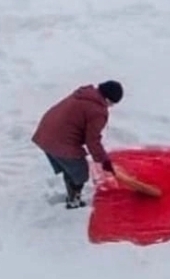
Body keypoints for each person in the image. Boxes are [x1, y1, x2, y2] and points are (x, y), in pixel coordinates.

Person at [32, 81, 123, 209]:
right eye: (112, 103)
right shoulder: (98, 111)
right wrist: (104, 161)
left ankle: (72, 191)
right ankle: (73, 201)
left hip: (45, 132)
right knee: (80, 173)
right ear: (108, 99)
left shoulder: (85, 94)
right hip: (59, 141)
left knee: (70, 168)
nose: (110, 107)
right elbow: (92, 141)